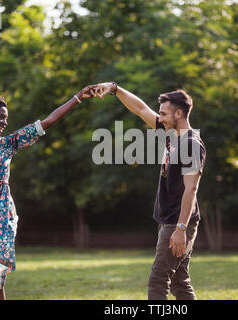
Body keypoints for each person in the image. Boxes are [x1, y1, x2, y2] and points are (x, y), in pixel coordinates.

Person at [0, 86, 96, 300]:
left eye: (6, 118)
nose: (5, 123)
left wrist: (78, 97)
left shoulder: (7, 145)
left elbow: (47, 122)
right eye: (1, 117)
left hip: (1, 217)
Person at [94, 82, 206, 300]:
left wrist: (181, 228)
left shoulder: (191, 143)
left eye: (164, 114)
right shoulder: (171, 134)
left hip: (178, 221)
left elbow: (191, 188)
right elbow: (140, 109)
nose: (160, 118)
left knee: (158, 281)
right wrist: (115, 89)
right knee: (179, 282)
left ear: (179, 113)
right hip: (171, 220)